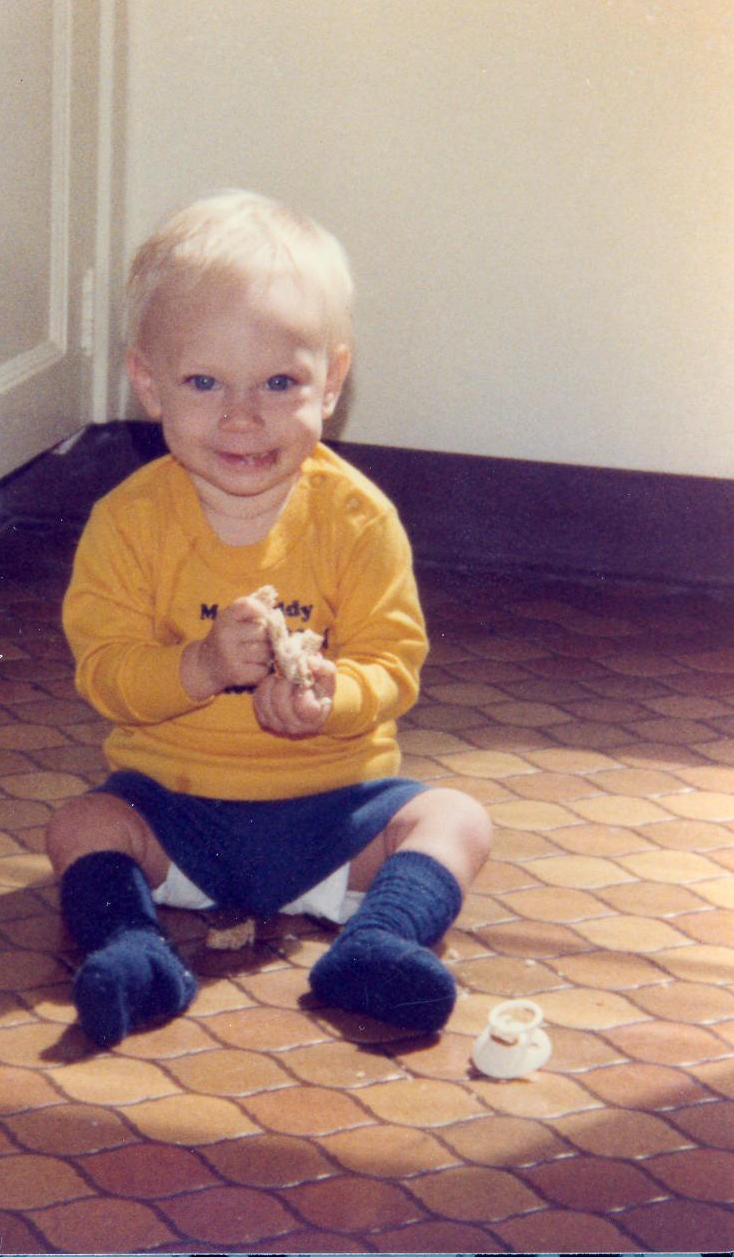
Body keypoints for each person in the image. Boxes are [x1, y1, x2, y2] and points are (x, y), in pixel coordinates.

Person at [46, 190, 492, 1048]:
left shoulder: (357, 519)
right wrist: (200, 667)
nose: (242, 416)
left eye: (279, 383)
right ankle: (134, 950)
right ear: (148, 383)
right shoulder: (127, 523)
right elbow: (105, 675)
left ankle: (379, 941)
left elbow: (394, 664)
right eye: (204, 382)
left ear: (332, 380)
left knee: (457, 820)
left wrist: (333, 695)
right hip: (175, 811)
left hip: (336, 813)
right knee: (80, 826)